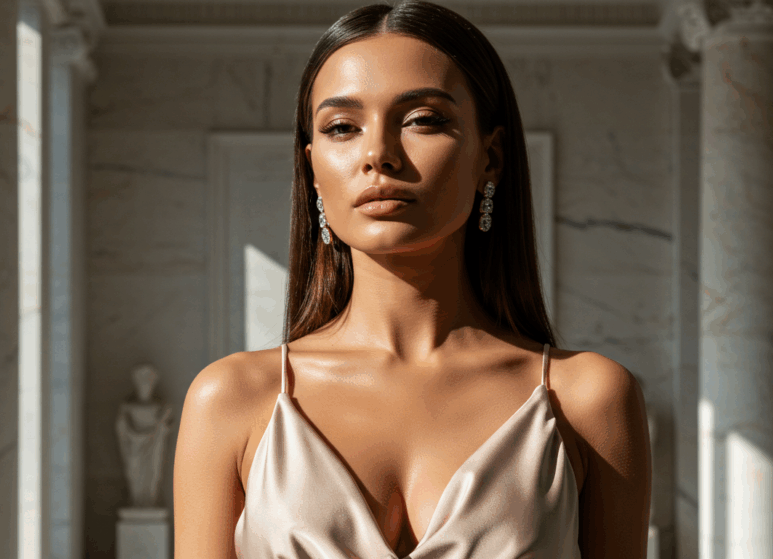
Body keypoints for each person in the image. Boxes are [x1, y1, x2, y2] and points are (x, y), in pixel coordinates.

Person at [173, 2, 651, 557]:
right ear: (311, 169)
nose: (378, 154)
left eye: (423, 119)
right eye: (342, 128)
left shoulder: (587, 399)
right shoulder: (232, 399)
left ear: (490, 158)